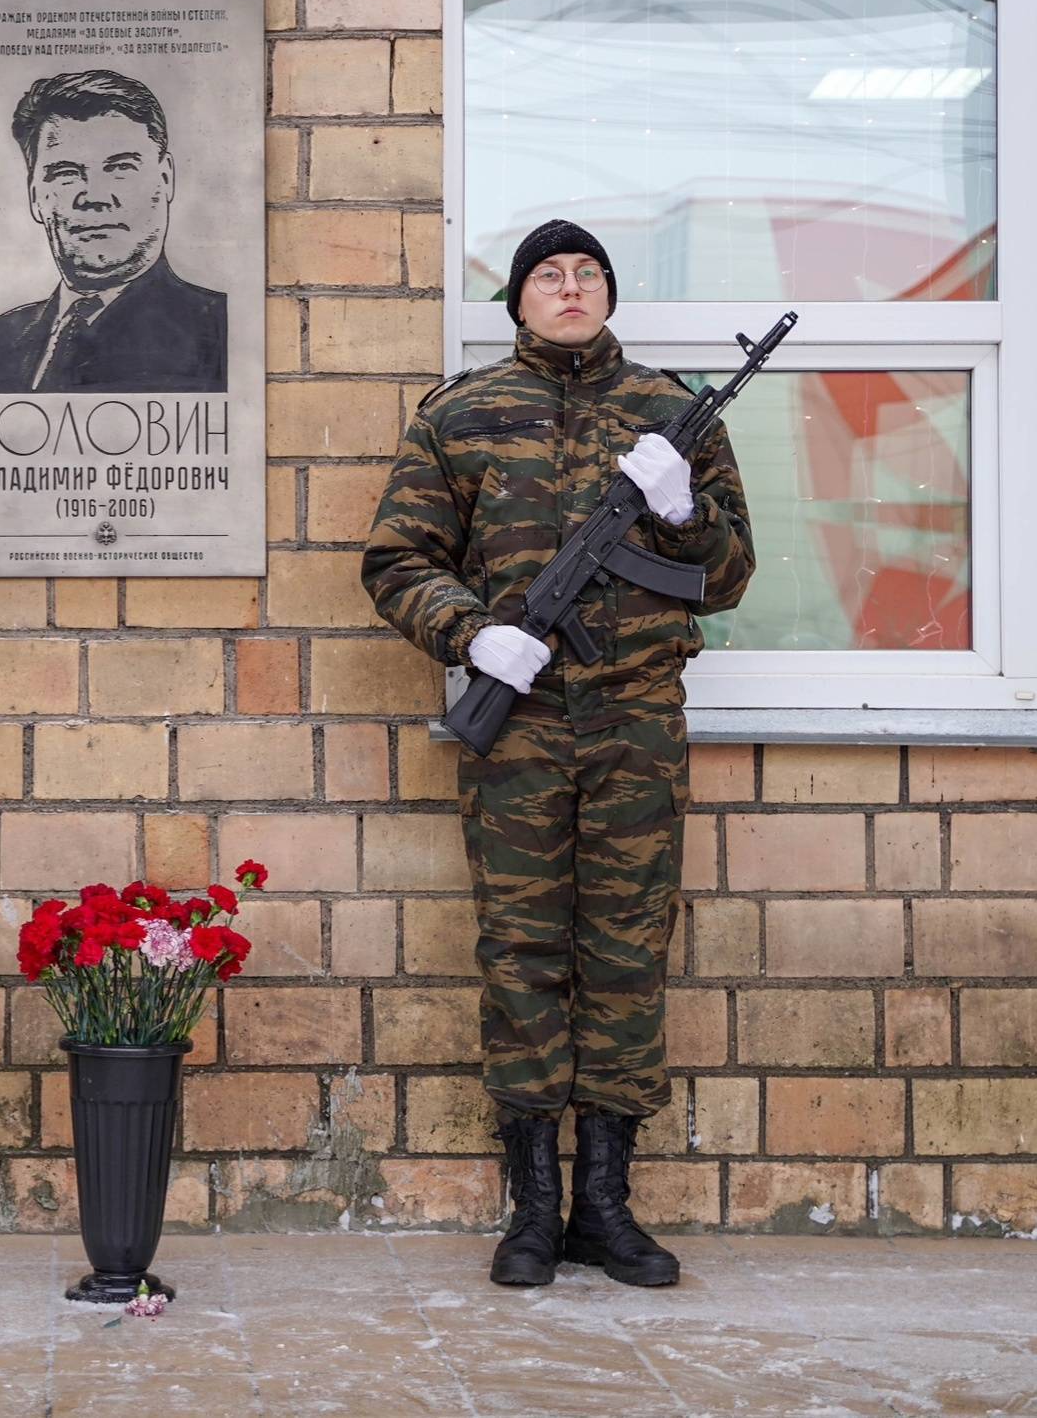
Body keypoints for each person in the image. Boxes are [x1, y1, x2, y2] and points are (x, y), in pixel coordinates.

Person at [361, 221, 754, 1290]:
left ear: (609, 295)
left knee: (625, 951)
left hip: (635, 724)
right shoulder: (460, 413)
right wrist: (466, 631)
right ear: (519, 303)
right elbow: (396, 557)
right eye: (549, 274)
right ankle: (534, 1206)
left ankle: (607, 1205)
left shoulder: (673, 416)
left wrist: (681, 511)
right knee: (523, 952)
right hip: (522, 730)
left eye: (588, 274)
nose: (570, 288)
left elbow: (726, 575)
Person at [0, 68, 227, 393]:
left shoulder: (220, 332)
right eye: (66, 172)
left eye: (121, 168)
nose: (95, 196)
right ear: (35, 196)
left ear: (165, 179)